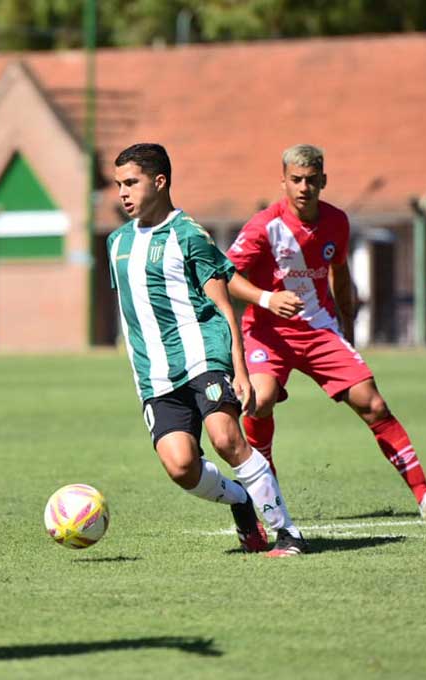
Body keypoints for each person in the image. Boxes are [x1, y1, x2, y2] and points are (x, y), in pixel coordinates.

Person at [226, 144, 426, 518]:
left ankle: (424, 496)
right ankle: (264, 486)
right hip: (267, 332)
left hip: (319, 329)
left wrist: (346, 324)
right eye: (296, 180)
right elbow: (226, 277)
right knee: (260, 399)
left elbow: (339, 271)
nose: (304, 187)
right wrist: (268, 299)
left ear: (323, 181)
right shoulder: (263, 226)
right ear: (283, 181)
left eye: (311, 180)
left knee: (374, 404)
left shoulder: (337, 222)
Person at [108, 143, 308, 557]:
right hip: (155, 375)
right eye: (118, 185)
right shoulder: (116, 244)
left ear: (159, 182)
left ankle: (287, 533)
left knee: (226, 438)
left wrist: (240, 370)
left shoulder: (188, 235)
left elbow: (223, 305)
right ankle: (240, 501)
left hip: (203, 355)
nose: (122, 193)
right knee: (180, 466)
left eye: (131, 183)